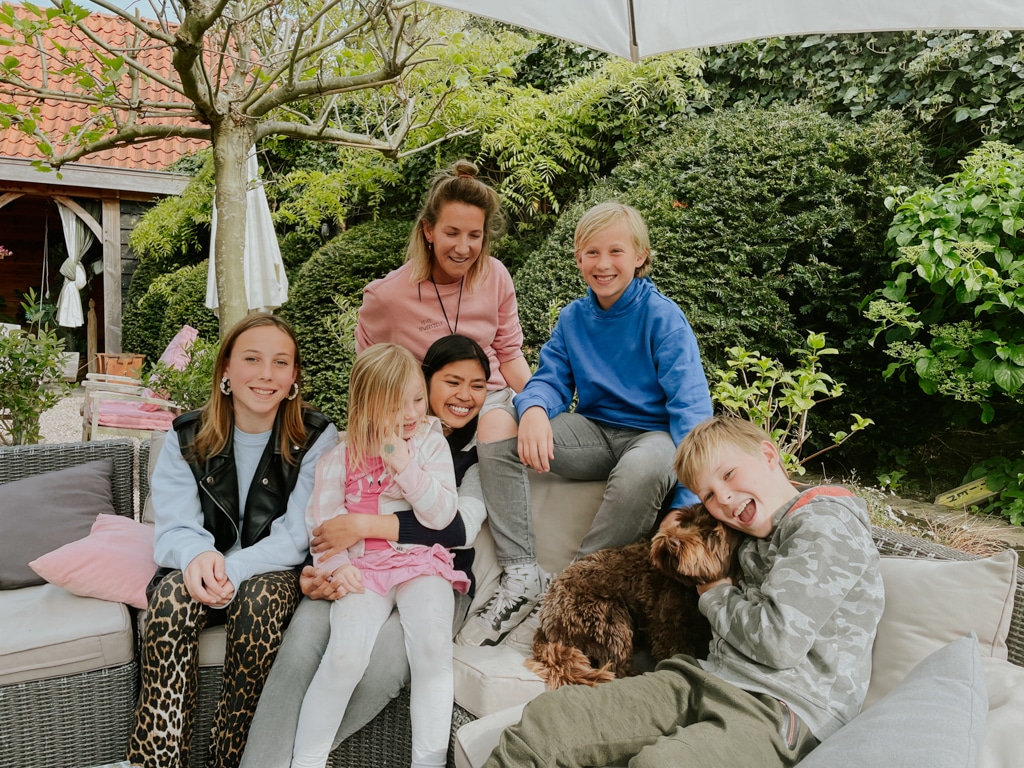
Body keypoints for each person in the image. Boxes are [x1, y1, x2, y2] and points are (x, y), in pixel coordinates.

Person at [483, 414, 886, 768]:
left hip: (783, 708)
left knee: (662, 764)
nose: (723, 499)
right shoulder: (750, 531)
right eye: (708, 494)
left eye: (728, 474)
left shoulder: (823, 524)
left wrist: (713, 592)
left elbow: (778, 642)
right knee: (547, 722)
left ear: (768, 455)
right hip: (703, 678)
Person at [457, 200, 714, 649]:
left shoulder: (663, 318)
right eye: (592, 253)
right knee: (497, 419)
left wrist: (688, 504)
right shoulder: (574, 318)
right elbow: (549, 379)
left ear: (639, 255)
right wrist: (534, 409)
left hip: (653, 439)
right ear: (578, 259)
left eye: (616, 252)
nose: (603, 263)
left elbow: (692, 414)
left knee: (647, 465)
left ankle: (568, 587)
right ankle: (522, 576)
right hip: (593, 432)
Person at [240, 334, 490, 768]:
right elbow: (322, 525)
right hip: (362, 569)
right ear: (369, 407)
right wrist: (336, 567)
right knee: (344, 657)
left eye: (417, 399)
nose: (413, 413)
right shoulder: (341, 457)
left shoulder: (430, 442)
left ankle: (427, 762)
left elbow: (443, 515)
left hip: (421, 565)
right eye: (400, 404)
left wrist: (402, 463)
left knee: (431, 650)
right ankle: (307, 761)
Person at [126, 314, 338, 768]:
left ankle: (232, 758)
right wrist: (199, 555)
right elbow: (174, 525)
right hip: (202, 562)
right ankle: (158, 760)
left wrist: (233, 568)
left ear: (294, 376)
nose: (266, 374)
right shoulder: (187, 435)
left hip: (273, 572)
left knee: (258, 603)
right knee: (169, 600)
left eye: (281, 362)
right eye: (252, 359)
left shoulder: (316, 437)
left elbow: (298, 533)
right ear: (225, 369)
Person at [354, 158, 531, 445]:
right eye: (452, 233)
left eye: (474, 235)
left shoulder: (495, 275)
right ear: (428, 231)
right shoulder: (387, 297)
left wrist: (537, 406)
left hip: (490, 407)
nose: (464, 248)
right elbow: (370, 378)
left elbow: (510, 354)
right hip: (423, 422)